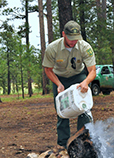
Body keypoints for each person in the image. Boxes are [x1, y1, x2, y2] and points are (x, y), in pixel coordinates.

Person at [42, 20, 96, 148]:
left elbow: (92, 71)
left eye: (76, 39)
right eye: (71, 39)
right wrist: (59, 84)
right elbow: (48, 70)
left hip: (78, 76)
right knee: (62, 111)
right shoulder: (52, 48)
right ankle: (63, 145)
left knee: (84, 109)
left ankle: (82, 140)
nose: (73, 42)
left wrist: (86, 82)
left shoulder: (85, 47)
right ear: (63, 34)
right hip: (59, 78)